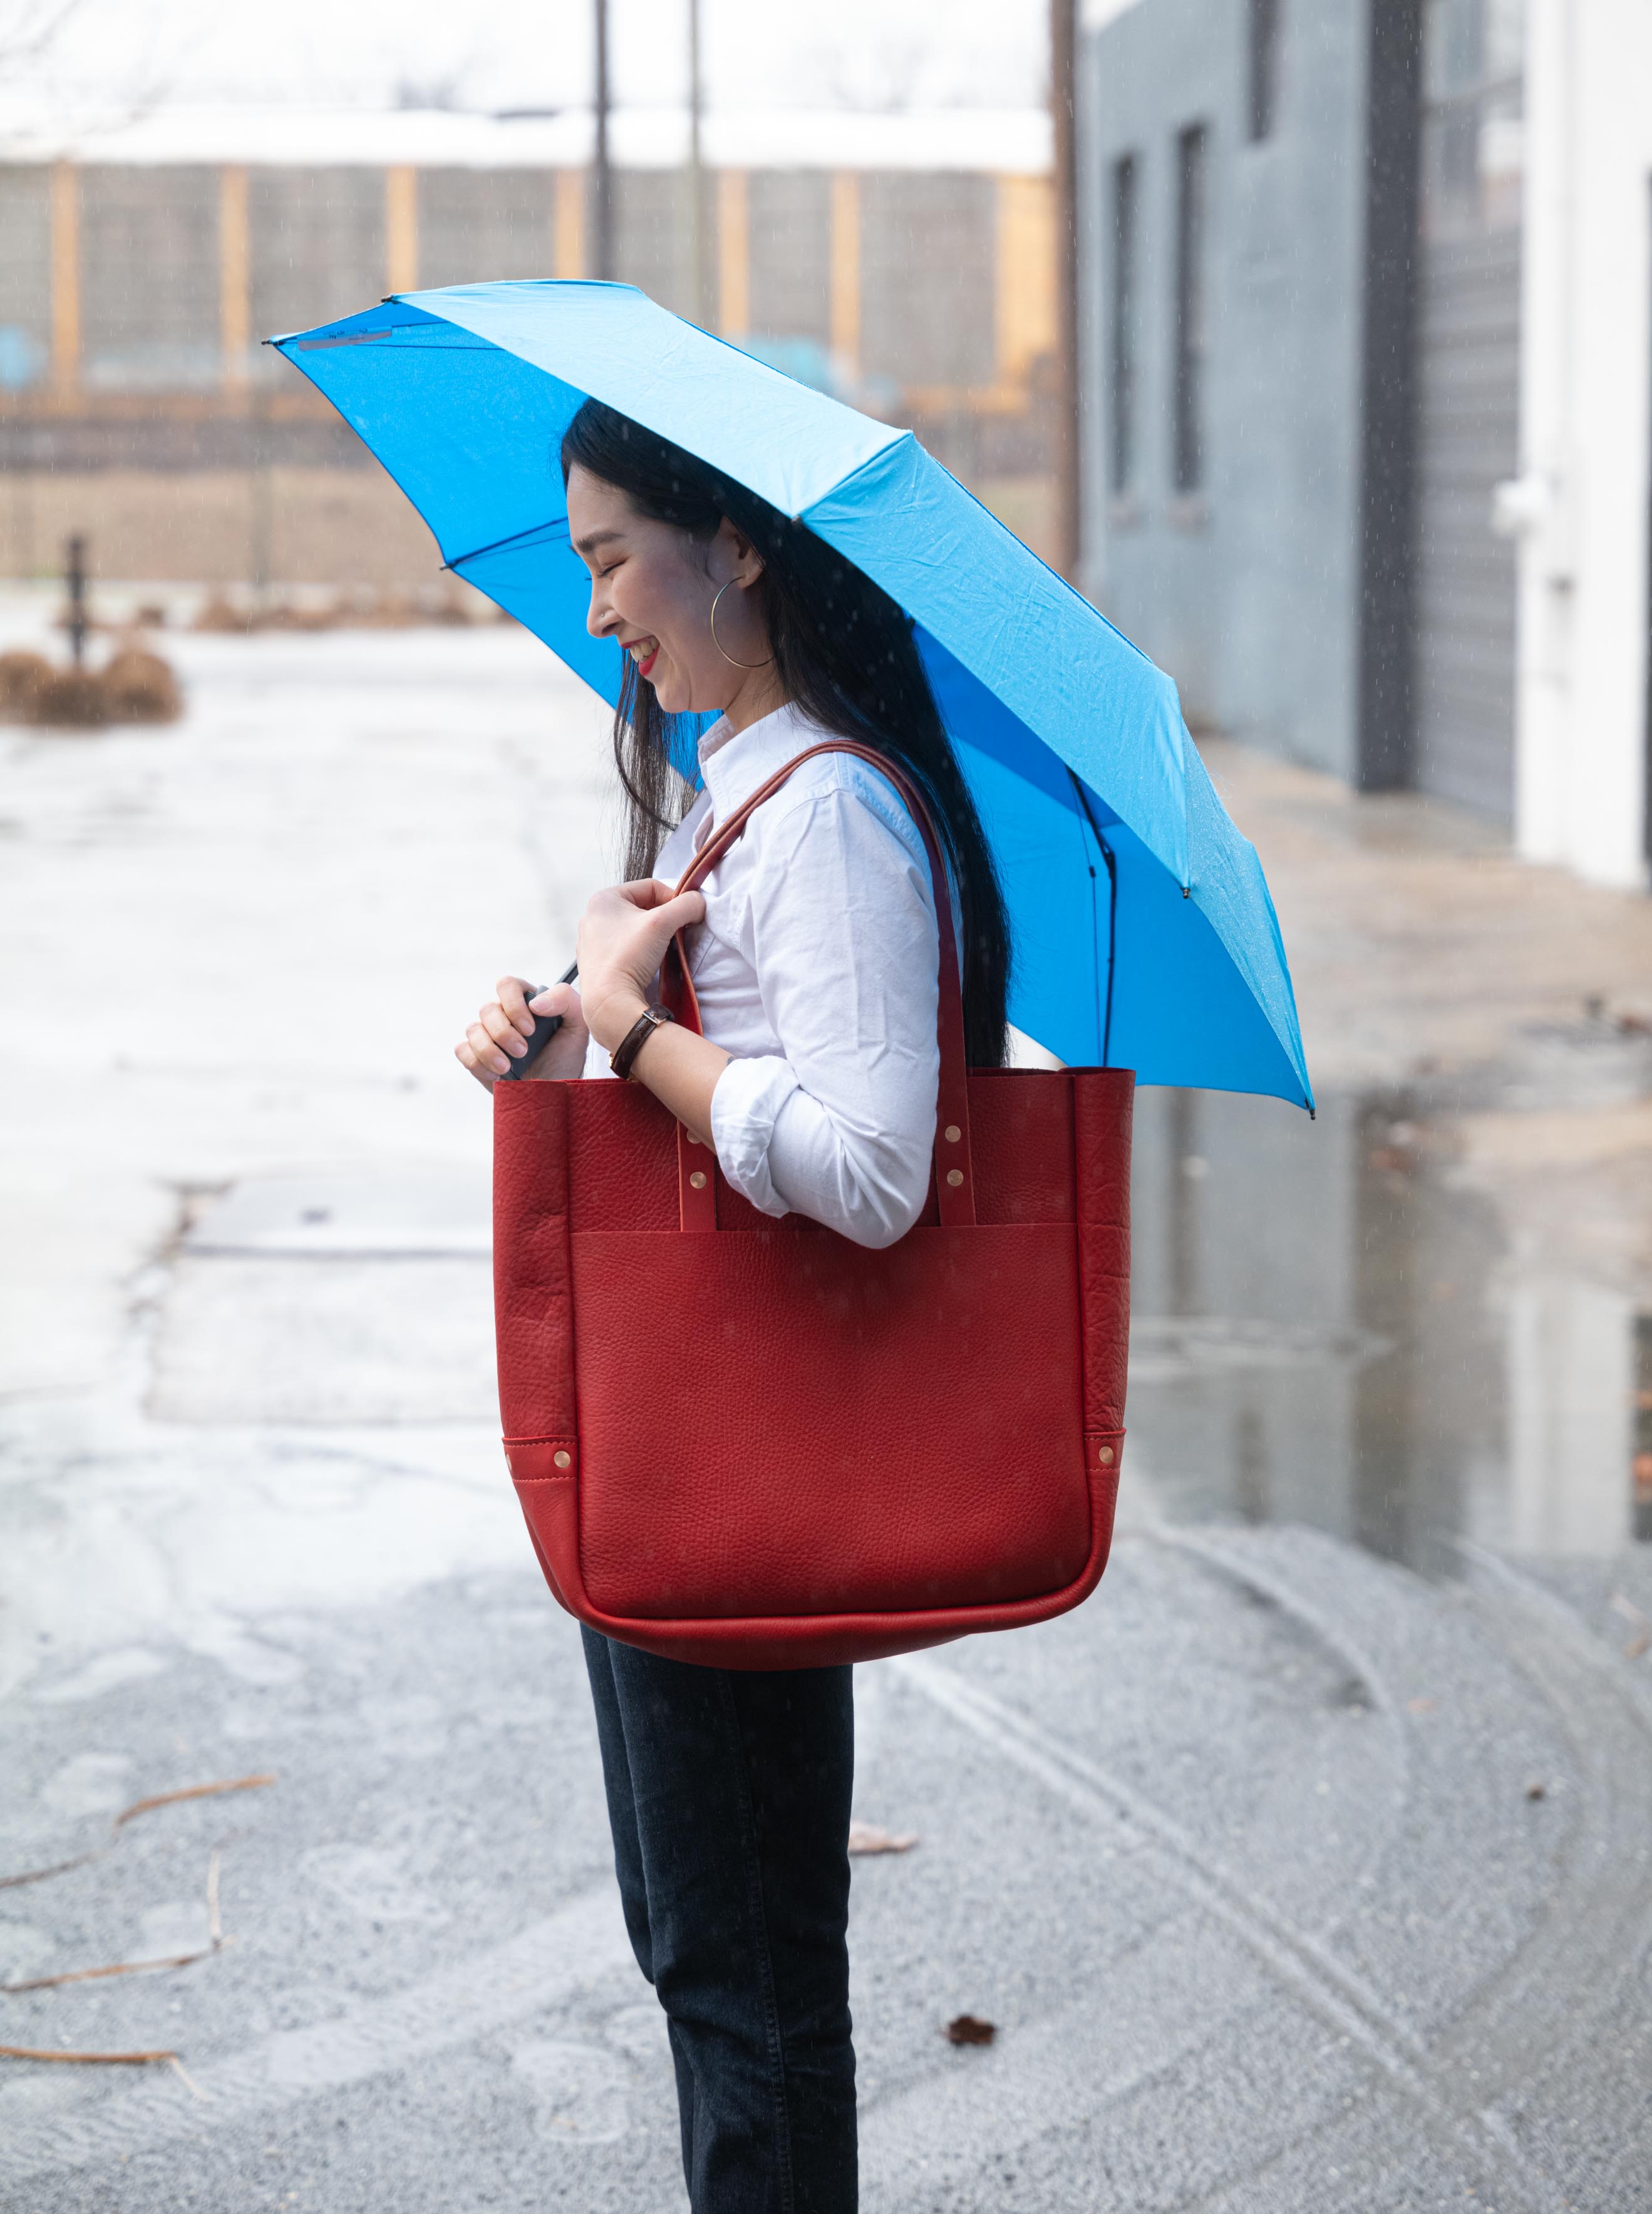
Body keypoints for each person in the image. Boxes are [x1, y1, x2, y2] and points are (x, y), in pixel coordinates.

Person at [455, 396, 1011, 2213]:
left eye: (615, 554)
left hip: (741, 1447)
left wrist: (630, 1030)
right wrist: (549, 1035)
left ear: (739, 540)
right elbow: (703, 1077)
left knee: (750, 1971)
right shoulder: (731, 799)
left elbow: (870, 1167)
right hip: (686, 1438)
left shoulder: (828, 810)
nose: (600, 606)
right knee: (710, 1956)